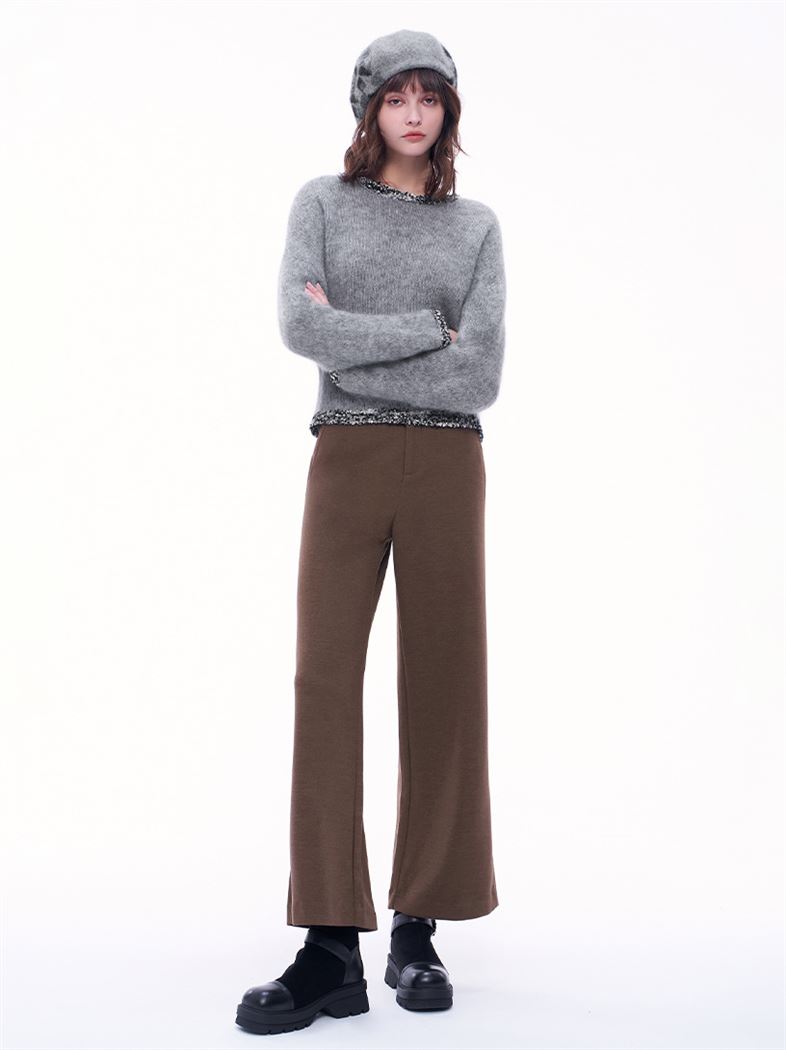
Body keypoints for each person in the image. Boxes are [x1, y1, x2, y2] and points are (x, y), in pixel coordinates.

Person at [235, 28, 506, 1036]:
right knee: (323, 681)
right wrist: (425, 331)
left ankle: (417, 925)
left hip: (447, 462)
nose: (414, 113)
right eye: (397, 95)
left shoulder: (476, 228)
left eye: (430, 96)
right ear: (369, 108)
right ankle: (329, 943)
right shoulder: (321, 204)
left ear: (449, 111)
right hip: (345, 456)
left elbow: (482, 375)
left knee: (443, 681)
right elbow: (301, 329)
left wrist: (358, 346)